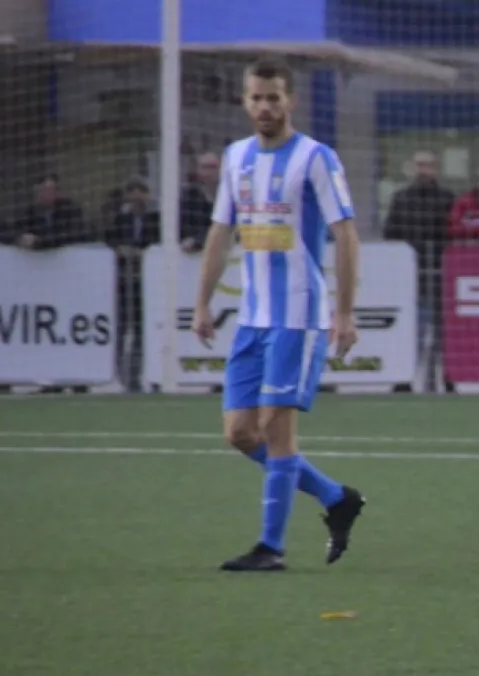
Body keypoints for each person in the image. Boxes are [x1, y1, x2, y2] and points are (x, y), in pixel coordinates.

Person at [191, 56, 367, 572]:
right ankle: (335, 497)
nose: (264, 106)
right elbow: (221, 231)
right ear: (244, 102)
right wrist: (202, 302)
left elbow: (346, 234)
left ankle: (271, 548)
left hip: (298, 315)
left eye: (273, 97)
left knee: (275, 429)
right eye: (256, 98)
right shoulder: (236, 157)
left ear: (290, 100)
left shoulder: (316, 158)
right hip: (253, 318)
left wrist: (345, 312)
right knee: (239, 433)